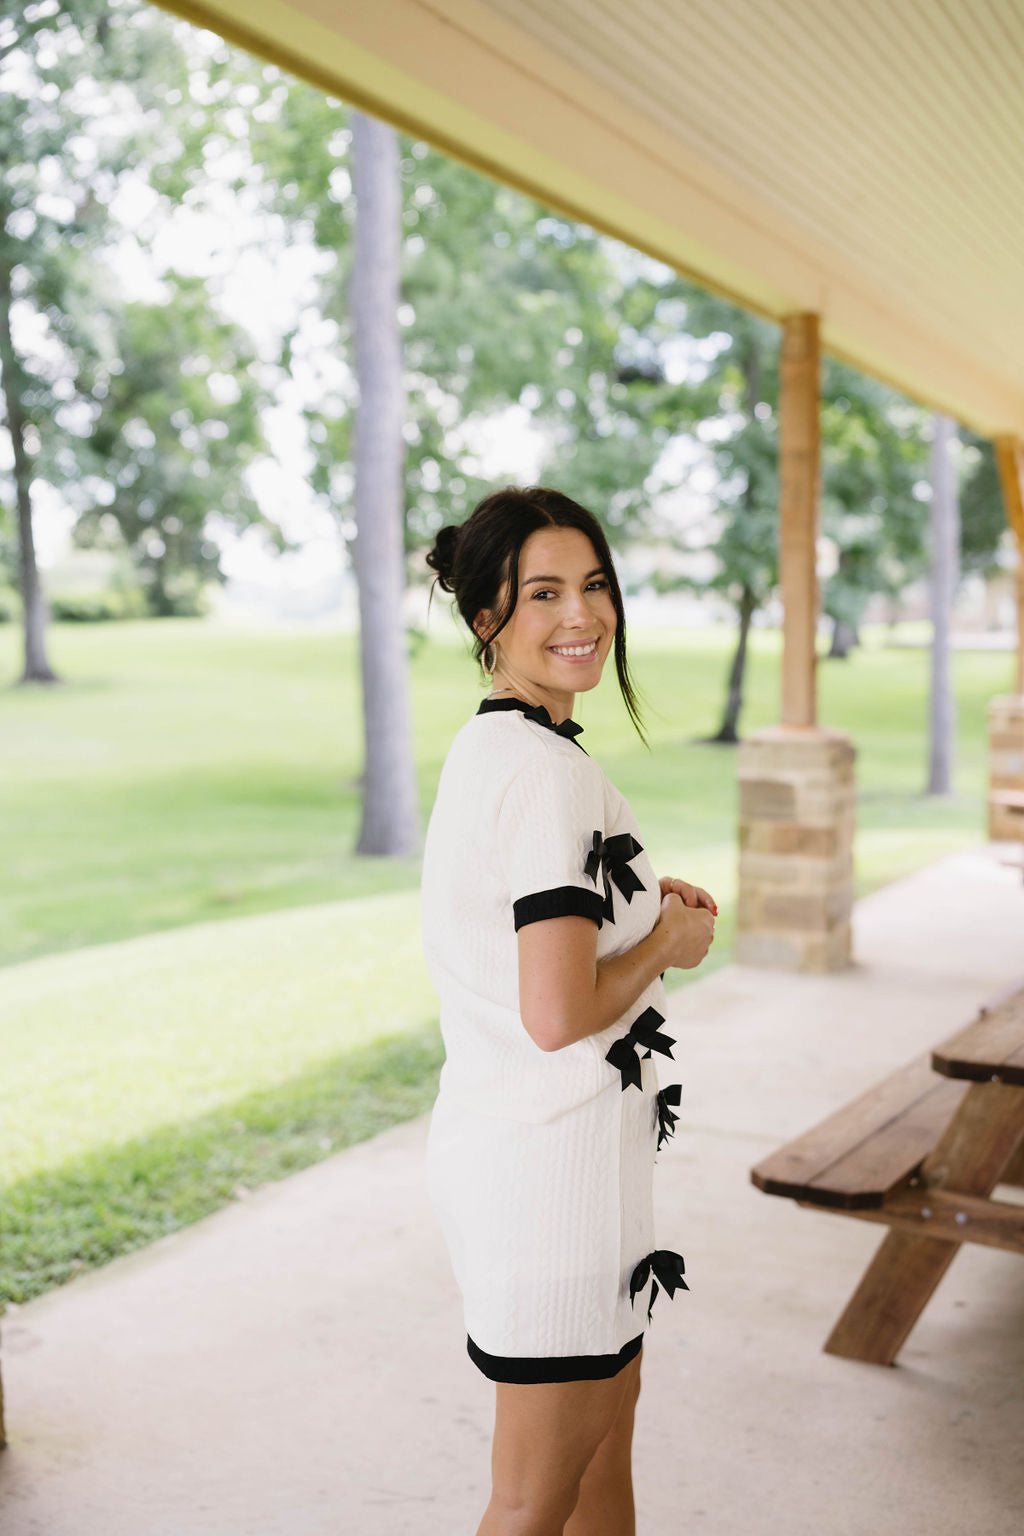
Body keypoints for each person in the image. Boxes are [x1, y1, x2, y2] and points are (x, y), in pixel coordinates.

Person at [421, 485, 716, 1536]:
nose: (581, 615)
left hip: (558, 1170)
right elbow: (554, 1011)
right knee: (532, 1503)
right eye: (541, 593)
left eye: (593, 586)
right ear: (483, 619)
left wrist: (634, 920)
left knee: (597, 1470)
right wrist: (665, 947)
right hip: (549, 1182)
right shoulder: (543, 776)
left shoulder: (499, 750)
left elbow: (544, 944)